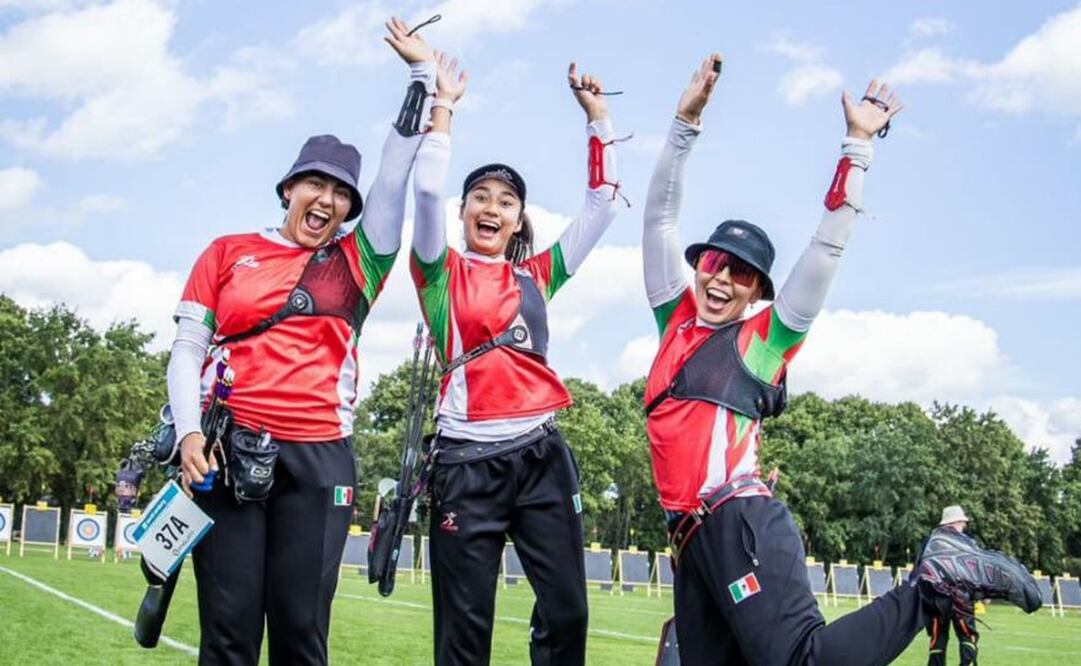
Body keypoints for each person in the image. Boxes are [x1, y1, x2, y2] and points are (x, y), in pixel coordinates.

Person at [641, 55, 1041, 665]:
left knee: (803, 660)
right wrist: (683, 124)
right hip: (692, 541)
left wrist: (859, 145)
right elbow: (660, 216)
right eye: (714, 263)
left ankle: (933, 579)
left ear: (756, 292)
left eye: (742, 273)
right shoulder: (674, 321)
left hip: (737, 521)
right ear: (698, 266)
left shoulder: (763, 340)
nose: (723, 279)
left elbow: (826, 247)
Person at [166, 18, 439, 665]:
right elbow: (186, 350)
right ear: (289, 187)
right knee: (228, 631)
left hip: (320, 463)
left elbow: (395, 173)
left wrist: (422, 77)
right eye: (315, 183)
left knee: (300, 632)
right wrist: (188, 434)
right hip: (228, 453)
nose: (328, 199)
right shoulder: (228, 251)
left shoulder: (361, 261)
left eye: (342, 192)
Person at [408, 60, 624, 665]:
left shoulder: (538, 275)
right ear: (463, 211)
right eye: (480, 196)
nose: (491, 207)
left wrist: (598, 118)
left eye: (506, 201)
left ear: (517, 220)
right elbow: (426, 189)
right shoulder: (438, 273)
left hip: (540, 456)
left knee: (567, 613)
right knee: (464, 631)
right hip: (466, 465)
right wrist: (443, 105)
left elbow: (603, 206)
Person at [925, 506, 979, 666]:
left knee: (938, 638)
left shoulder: (932, 542)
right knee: (967, 636)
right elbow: (975, 570)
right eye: (962, 523)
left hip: (936, 598)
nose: (964, 526)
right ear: (956, 522)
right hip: (961, 597)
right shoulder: (968, 543)